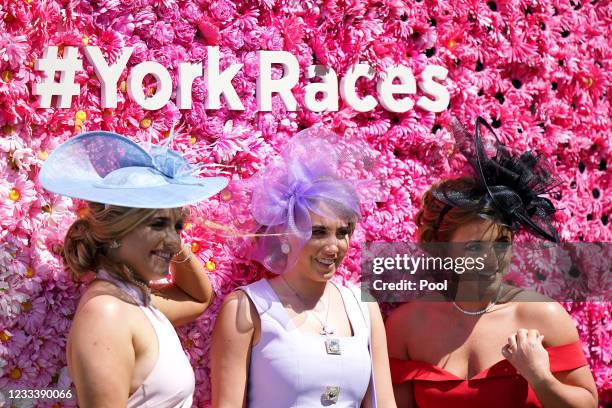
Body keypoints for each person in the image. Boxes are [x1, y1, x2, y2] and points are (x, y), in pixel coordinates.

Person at [385, 117, 598, 407]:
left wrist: (540, 377)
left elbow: (586, 403)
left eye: (500, 244)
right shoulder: (406, 326)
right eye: (474, 247)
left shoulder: (543, 316)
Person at [39, 130, 228, 407]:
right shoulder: (107, 313)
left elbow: (198, 297)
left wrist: (167, 232)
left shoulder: (131, 300)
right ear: (116, 232)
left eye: (178, 227)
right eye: (157, 223)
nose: (176, 241)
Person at [210, 128, 397, 407]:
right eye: (318, 232)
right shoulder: (245, 308)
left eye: (343, 232)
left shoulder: (363, 305)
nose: (334, 247)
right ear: (285, 234)